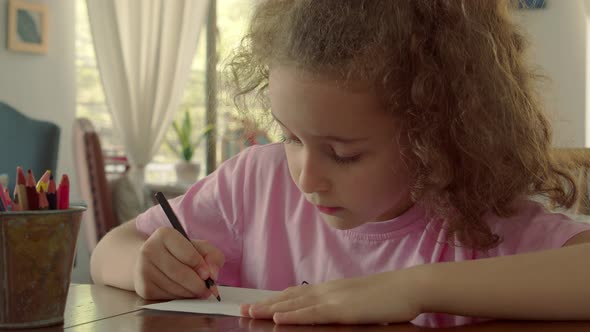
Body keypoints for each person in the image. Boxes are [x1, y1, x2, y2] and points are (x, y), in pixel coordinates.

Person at [90, 0, 590, 327]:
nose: (306, 178)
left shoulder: (478, 221)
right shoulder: (253, 184)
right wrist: (144, 265)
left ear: (435, 137)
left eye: (344, 153)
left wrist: (412, 289)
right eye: (289, 136)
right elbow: (109, 247)